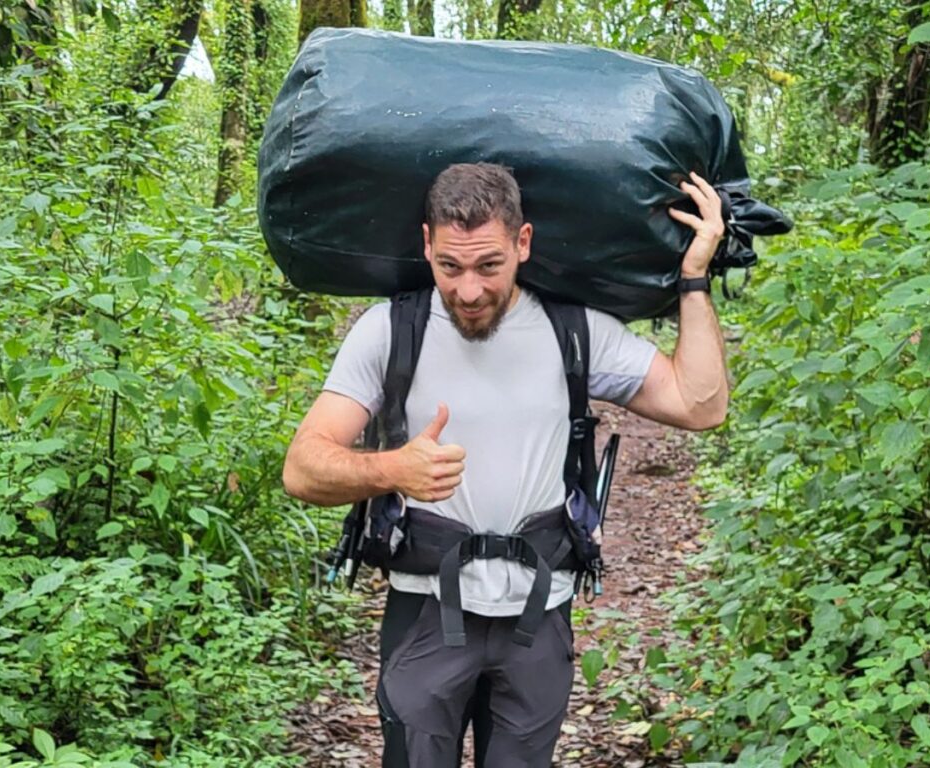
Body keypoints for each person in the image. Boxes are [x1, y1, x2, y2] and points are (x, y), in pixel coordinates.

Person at [282, 162, 729, 767]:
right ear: (426, 246)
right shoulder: (392, 330)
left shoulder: (571, 332)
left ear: (523, 243)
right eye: (450, 266)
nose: (469, 290)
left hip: (537, 617)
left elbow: (699, 405)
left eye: (488, 265)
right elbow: (303, 468)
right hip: (424, 612)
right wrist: (392, 469)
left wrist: (694, 276)